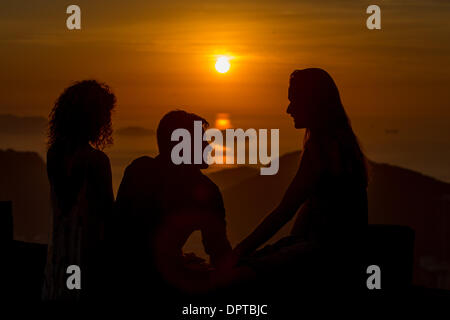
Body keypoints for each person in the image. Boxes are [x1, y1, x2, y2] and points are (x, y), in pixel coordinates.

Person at [233, 68, 369, 287]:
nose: (288, 109)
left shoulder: (322, 148)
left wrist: (238, 251)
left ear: (312, 102)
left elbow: (285, 211)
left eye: (294, 101)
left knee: (236, 277)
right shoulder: (342, 144)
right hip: (336, 251)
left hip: (326, 256)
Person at [114, 110, 232, 296]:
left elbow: (120, 232)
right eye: (202, 141)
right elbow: (219, 253)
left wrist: (177, 258)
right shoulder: (205, 191)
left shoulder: (139, 170)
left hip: (121, 278)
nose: (208, 146)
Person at [42, 80, 116, 301]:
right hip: (88, 258)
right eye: (105, 115)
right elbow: (108, 216)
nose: (107, 121)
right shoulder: (96, 161)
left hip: (60, 258)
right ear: (93, 118)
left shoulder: (54, 154)